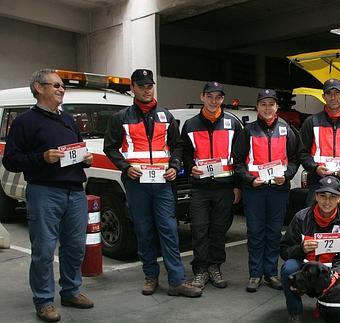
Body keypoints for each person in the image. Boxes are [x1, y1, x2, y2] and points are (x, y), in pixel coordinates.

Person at [2, 69, 94, 322]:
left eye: (62, 86)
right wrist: (41, 158)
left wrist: (85, 159)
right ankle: (43, 301)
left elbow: (76, 150)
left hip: (75, 192)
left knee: (75, 248)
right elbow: (11, 160)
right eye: (55, 85)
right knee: (43, 250)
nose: (61, 89)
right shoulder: (25, 122)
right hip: (45, 192)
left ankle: (71, 291)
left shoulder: (68, 120)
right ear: (39, 88)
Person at [104, 69, 200, 298]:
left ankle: (177, 281)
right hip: (137, 185)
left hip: (162, 184)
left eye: (150, 86)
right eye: (141, 86)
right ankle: (150, 276)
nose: (147, 90)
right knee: (144, 231)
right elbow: (110, 147)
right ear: (133, 89)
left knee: (169, 230)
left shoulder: (166, 116)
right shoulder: (121, 118)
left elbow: (177, 145)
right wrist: (126, 167)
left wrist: (175, 166)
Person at [234, 89, 301, 292]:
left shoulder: (287, 130)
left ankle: (271, 273)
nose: (267, 108)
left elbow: (295, 158)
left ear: (276, 107)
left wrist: (287, 175)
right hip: (255, 189)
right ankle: (255, 274)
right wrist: (249, 179)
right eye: (263, 104)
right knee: (255, 232)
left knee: (273, 233)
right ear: (257, 107)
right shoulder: (248, 131)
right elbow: (237, 161)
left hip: (279, 190)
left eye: (271, 104)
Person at [181, 81, 242, 294]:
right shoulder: (190, 125)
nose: (214, 101)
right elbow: (186, 153)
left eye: (218, 97)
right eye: (210, 96)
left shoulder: (232, 124)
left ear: (223, 99)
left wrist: (237, 186)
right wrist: (190, 168)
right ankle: (200, 270)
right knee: (199, 229)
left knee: (218, 231)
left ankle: (215, 266)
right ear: (202, 97)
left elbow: (239, 156)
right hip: (200, 188)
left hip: (225, 187)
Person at [280, 176, 340, 323]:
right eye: (323, 196)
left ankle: (337, 313)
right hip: (306, 266)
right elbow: (284, 249)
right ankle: (295, 312)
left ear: (339, 198)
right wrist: (301, 249)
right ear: (316, 196)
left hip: (332, 269)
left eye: (332, 197)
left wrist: (333, 275)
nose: (327, 202)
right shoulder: (301, 218)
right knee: (288, 268)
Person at [299, 78, 340, 208]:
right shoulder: (311, 122)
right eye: (329, 94)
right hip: (317, 182)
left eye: (336, 93)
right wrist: (315, 168)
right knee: (313, 223)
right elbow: (302, 153)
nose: (333, 97)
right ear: (324, 97)